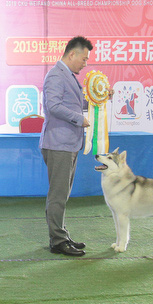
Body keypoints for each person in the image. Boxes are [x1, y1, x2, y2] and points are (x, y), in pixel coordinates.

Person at [40, 36, 93, 257]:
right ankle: (58, 241)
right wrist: (79, 119)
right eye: (84, 58)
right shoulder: (56, 75)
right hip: (58, 143)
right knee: (58, 195)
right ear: (72, 54)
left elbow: (73, 103)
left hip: (68, 143)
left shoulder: (67, 76)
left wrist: (98, 98)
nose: (85, 63)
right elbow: (53, 106)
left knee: (62, 194)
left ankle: (60, 234)